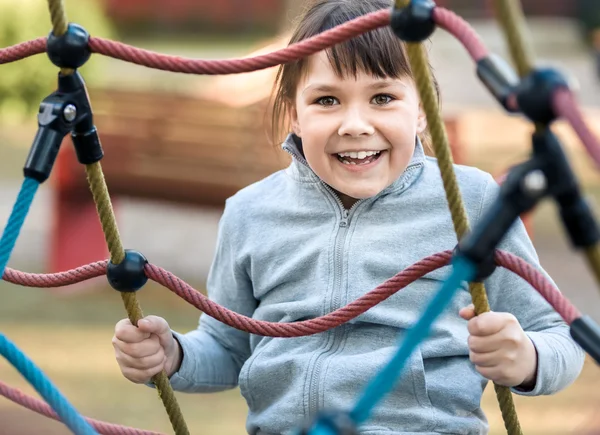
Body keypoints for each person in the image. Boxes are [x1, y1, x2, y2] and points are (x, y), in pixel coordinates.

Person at [111, 1, 586, 433]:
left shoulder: (469, 201)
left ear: (422, 110)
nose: (355, 124)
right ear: (293, 114)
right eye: (326, 100)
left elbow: (559, 338)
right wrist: (173, 354)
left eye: (382, 98)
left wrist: (526, 357)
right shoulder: (251, 213)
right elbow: (229, 349)